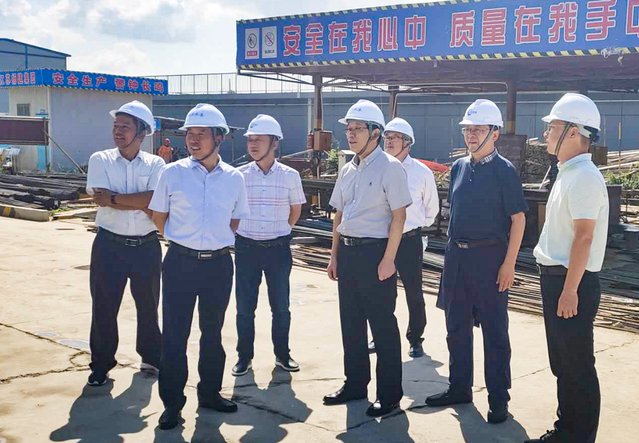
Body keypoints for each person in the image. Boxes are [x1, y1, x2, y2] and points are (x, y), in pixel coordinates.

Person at [426, 99, 527, 425]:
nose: (471, 135)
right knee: (456, 327)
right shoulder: (458, 168)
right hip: (457, 257)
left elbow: (518, 220)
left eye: (478, 129)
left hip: (490, 259)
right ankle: (459, 387)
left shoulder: (504, 171)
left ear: (494, 134)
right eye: (468, 129)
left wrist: (509, 264)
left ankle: (498, 398)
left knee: (494, 332)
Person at [149, 103, 250, 430]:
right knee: (174, 336)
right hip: (180, 263)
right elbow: (159, 218)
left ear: (218, 137)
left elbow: (235, 221)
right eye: (190, 133)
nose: (193, 139)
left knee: (213, 333)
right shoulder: (172, 173)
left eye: (201, 134)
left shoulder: (234, 178)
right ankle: (171, 404)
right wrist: (185, 241)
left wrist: (212, 242)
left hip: (218, 266)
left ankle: (209, 394)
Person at [526, 94, 607, 443]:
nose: (546, 133)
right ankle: (566, 430)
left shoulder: (585, 177)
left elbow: (584, 238)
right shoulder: (568, 172)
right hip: (558, 280)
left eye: (553, 127)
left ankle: (579, 435)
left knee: (577, 365)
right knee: (563, 363)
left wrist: (570, 290)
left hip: (571, 282)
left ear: (573, 131)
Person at [324, 100, 412, 417]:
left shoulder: (391, 167)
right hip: (348, 254)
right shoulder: (347, 169)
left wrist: (389, 260)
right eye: (348, 129)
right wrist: (334, 255)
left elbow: (399, 217)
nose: (350, 134)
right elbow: (339, 214)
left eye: (358, 129)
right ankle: (355, 384)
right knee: (351, 323)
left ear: (375, 132)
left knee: (382, 326)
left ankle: (389, 395)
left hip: (375, 253)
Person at [85, 100, 164, 386]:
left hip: (146, 245)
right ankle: (101, 364)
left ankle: (152, 357)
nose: (118, 131)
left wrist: (115, 199)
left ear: (142, 133)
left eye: (125, 127)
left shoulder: (156, 164)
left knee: (149, 306)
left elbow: (155, 200)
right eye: (116, 126)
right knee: (104, 307)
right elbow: (100, 196)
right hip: (109, 245)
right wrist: (140, 201)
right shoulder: (100, 159)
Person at [232, 114, 306, 377]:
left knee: (281, 307)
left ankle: (282, 355)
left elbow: (295, 211)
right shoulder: (238, 176)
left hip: (278, 250)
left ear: (274, 143)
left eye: (259, 140)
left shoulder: (290, 176)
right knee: (244, 308)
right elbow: (232, 211)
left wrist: (280, 231)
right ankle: (244, 357)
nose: (252, 145)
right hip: (246, 248)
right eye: (250, 140)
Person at [374, 117, 440, 358]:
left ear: (408, 143)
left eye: (395, 138)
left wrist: (414, 227)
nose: (389, 142)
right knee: (382, 291)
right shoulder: (377, 168)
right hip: (381, 240)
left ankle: (415, 338)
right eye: (387, 137)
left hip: (409, 241)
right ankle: (381, 335)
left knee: (414, 291)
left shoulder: (421, 173)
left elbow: (431, 209)